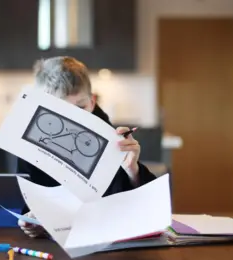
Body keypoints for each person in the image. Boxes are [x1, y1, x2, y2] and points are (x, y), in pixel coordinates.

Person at [17, 56, 157, 238]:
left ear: (92, 103)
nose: (74, 119)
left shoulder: (112, 140)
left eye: (81, 107)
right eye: (61, 111)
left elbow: (143, 209)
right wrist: (32, 221)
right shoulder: (29, 144)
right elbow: (30, 203)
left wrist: (133, 171)